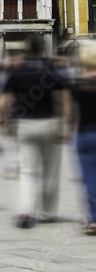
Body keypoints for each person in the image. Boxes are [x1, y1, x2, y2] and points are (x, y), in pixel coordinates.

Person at [2, 35, 69, 229]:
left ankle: (25, 210)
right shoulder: (52, 69)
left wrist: (7, 122)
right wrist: (63, 125)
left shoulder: (17, 70)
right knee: (50, 171)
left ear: (27, 48)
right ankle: (46, 213)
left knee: (27, 171)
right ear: (43, 48)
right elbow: (60, 100)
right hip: (50, 123)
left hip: (25, 125)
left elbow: (6, 101)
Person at [68, 40, 96, 235]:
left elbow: (71, 113)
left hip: (85, 133)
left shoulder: (77, 82)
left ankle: (93, 219)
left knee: (89, 178)